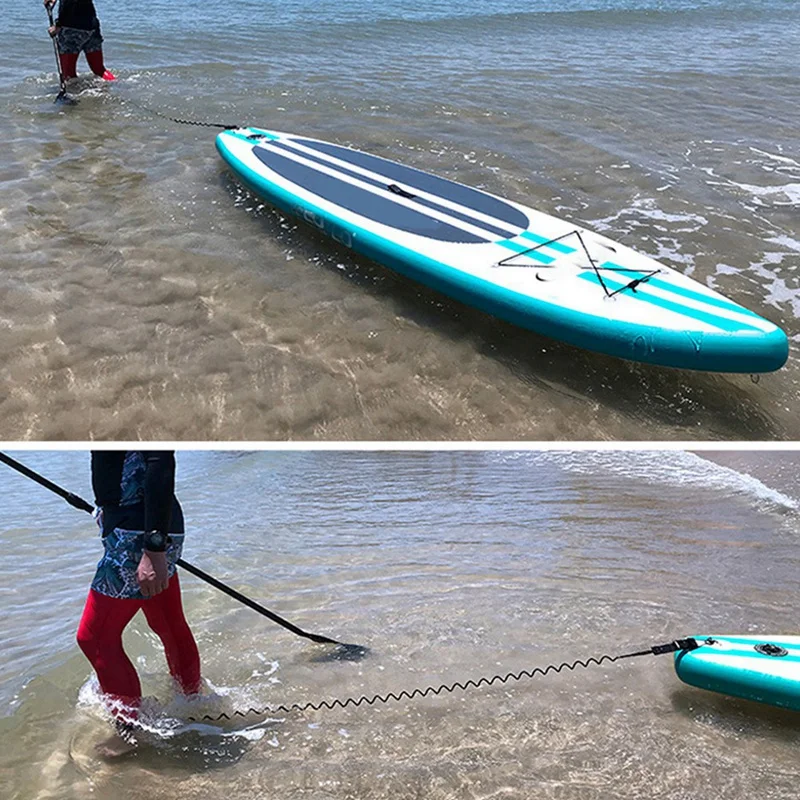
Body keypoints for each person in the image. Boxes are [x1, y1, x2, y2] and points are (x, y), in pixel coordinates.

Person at [76, 451, 201, 758]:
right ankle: (194, 705)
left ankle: (128, 734)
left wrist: (154, 547)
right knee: (167, 623)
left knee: (94, 638)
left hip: (140, 534)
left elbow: (160, 460)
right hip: (142, 523)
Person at [44, 0, 115, 82]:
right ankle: (118, 86)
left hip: (70, 27)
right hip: (91, 26)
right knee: (99, 70)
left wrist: (58, 25)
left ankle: (75, 93)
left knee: (68, 75)